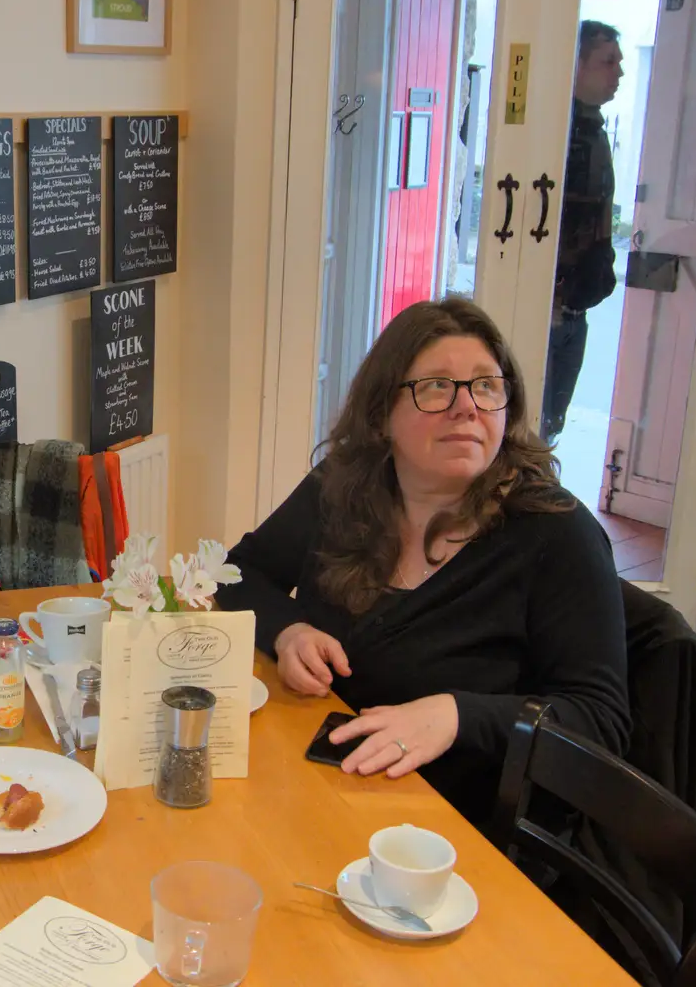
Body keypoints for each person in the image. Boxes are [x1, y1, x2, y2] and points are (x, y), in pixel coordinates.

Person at [216, 299, 629, 827]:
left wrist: (458, 715)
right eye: (436, 386)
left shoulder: (557, 532)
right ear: (381, 413)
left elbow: (600, 723)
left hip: (460, 828)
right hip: (327, 784)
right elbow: (237, 572)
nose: (467, 407)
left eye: (486, 386)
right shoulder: (340, 489)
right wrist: (288, 632)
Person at [542, 20, 623, 444]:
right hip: (550, 309)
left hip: (575, 309)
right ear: (575, 66)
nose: (619, 73)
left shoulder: (593, 130)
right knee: (532, 431)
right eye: (608, 62)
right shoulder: (554, 133)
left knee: (552, 425)